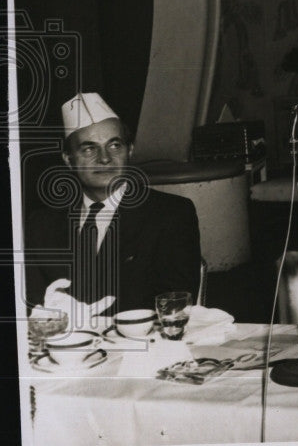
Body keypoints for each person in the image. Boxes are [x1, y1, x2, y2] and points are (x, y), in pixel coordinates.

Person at [23, 93, 202, 322]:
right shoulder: (40, 225)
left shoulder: (171, 215)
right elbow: (30, 306)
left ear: (130, 150)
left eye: (114, 145)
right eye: (89, 149)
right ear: (68, 159)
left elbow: (173, 304)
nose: (105, 159)